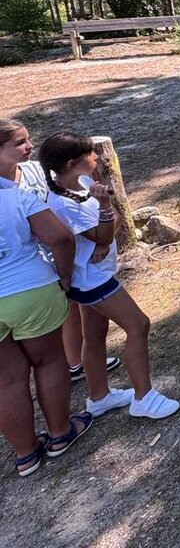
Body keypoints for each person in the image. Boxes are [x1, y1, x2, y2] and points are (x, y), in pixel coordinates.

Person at [39, 133, 180, 420]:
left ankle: (99, 396)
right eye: (92, 155)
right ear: (73, 162)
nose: (97, 158)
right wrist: (103, 217)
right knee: (139, 325)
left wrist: (102, 239)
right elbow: (105, 222)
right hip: (92, 281)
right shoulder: (63, 204)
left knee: (94, 335)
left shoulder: (85, 183)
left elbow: (113, 221)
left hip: (94, 275)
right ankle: (144, 397)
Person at [0, 126, 92, 476]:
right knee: (49, 361)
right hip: (28, 288)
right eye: (18, 142)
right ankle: (59, 432)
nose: (28, 146)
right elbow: (61, 238)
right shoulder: (15, 197)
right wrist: (65, 276)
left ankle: (25, 454)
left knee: (5, 380)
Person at [0, 120, 121, 384]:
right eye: (19, 142)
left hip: (64, 250)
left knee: (76, 308)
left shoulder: (33, 170)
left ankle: (79, 362)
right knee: (66, 313)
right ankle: (71, 363)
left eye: (28, 139)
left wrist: (101, 239)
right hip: (36, 259)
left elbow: (66, 191)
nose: (29, 146)